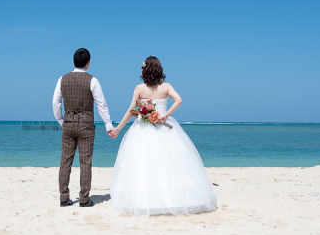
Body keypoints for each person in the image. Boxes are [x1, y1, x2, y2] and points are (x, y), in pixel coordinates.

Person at [109, 56, 218, 216]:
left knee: (143, 164)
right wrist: (165, 115)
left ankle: (145, 201)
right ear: (159, 69)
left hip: (142, 128)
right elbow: (179, 100)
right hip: (164, 129)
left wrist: (118, 128)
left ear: (144, 70)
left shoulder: (139, 88)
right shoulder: (166, 86)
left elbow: (131, 111)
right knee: (169, 163)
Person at [52, 48, 114, 207]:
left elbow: (55, 103)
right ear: (88, 63)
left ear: (74, 61)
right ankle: (84, 199)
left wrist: (61, 120)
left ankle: (64, 198)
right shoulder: (92, 80)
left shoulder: (62, 79)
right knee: (85, 162)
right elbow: (102, 105)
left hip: (68, 123)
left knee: (65, 161)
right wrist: (108, 124)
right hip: (86, 125)